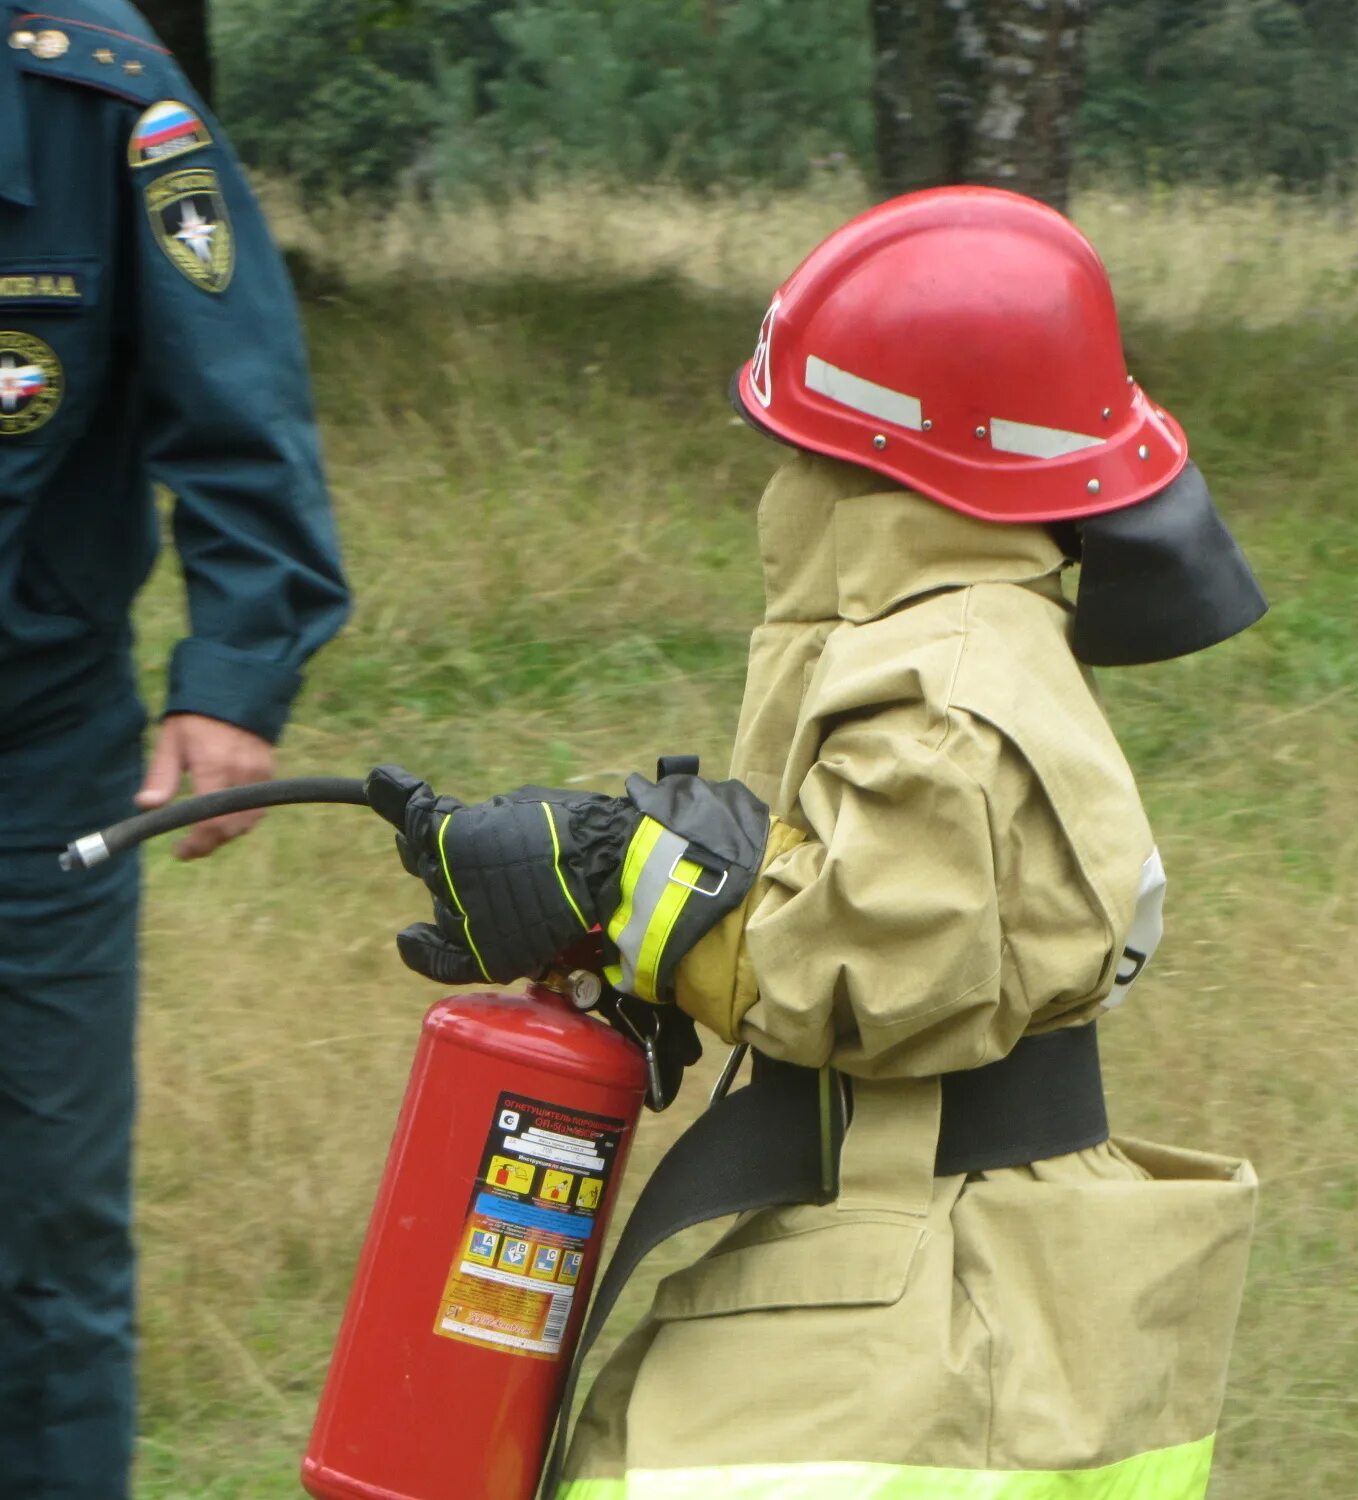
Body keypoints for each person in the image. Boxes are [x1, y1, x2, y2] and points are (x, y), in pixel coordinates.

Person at [369, 186, 1263, 1499]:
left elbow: (869, 969)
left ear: (881, 460)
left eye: (800, 447)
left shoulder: (941, 687)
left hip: (937, 1296)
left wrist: (621, 876)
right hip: (952, 1248)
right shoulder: (963, 634)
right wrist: (630, 916)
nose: (779, 479)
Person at [0, 4, 349, 1496]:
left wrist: (234, 670)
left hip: (31, 760)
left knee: (47, 1227)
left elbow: (237, 399)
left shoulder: (96, 102)